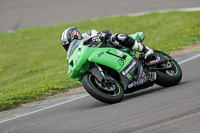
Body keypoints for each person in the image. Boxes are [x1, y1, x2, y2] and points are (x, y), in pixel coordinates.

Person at [61, 27, 156, 86]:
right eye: (67, 46)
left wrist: (101, 35)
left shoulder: (88, 35)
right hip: (100, 60)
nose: (69, 47)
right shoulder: (75, 54)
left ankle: (146, 50)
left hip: (113, 49)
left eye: (70, 44)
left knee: (117, 37)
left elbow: (106, 32)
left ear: (75, 35)